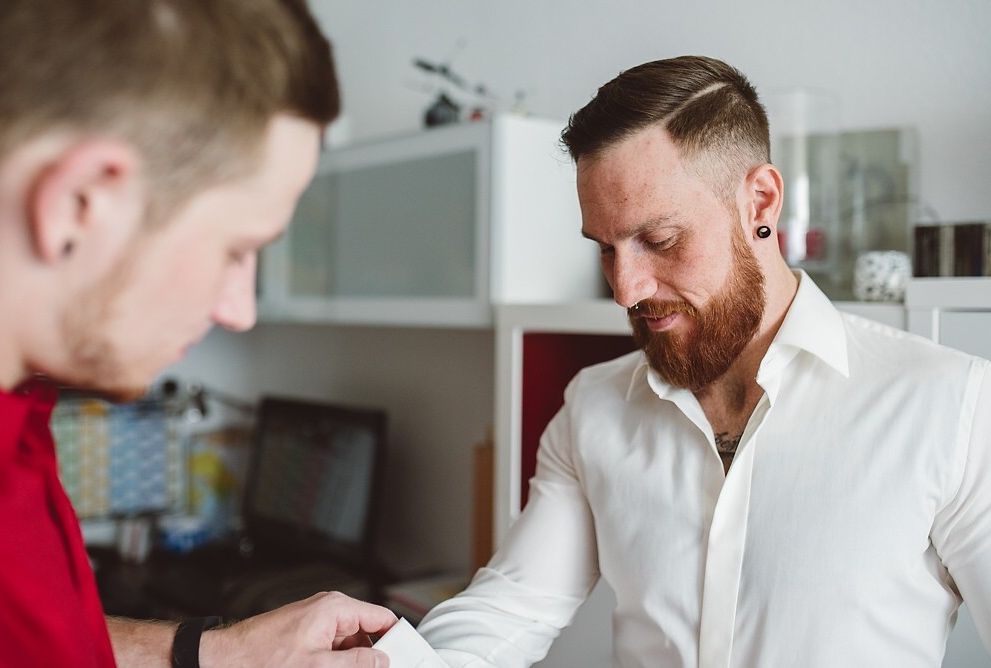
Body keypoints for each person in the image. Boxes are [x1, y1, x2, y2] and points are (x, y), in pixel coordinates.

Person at [417, 55, 991, 667]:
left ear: (760, 204)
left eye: (659, 241)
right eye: (606, 249)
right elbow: (506, 613)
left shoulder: (952, 406)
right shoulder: (593, 408)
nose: (625, 288)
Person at [0, 1, 397, 667]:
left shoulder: (20, 421)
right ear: (78, 204)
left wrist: (214, 652)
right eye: (237, 249)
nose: (240, 311)